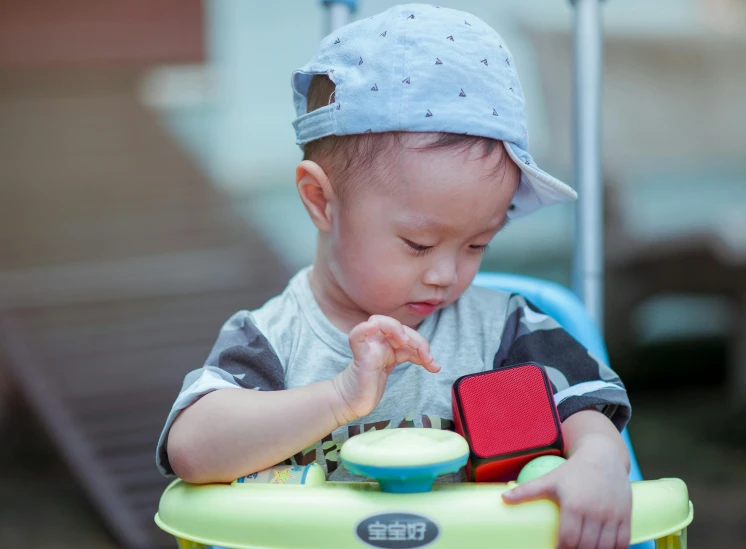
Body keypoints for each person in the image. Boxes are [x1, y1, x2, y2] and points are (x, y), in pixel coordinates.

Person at [157, 4, 633, 548]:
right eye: (419, 244)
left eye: (478, 243)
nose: (447, 273)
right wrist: (338, 398)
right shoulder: (272, 342)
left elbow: (587, 409)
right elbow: (191, 449)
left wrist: (596, 463)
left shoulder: (504, 331)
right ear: (321, 202)